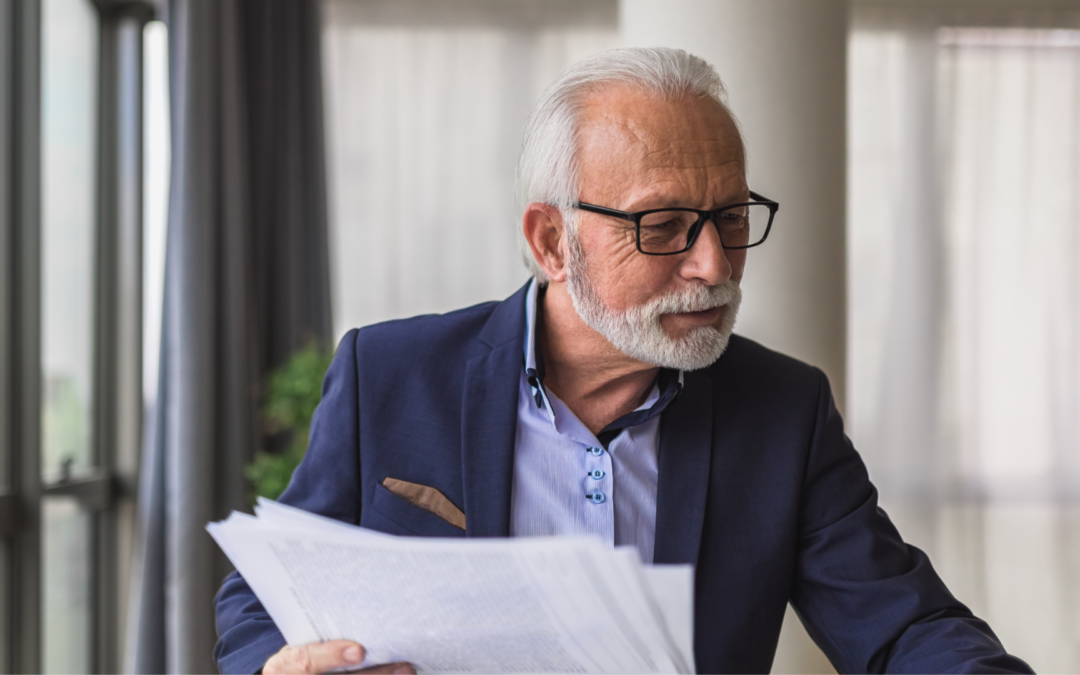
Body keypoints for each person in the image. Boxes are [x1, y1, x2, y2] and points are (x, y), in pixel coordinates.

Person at [215, 47, 1031, 674]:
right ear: (551, 241)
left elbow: (902, 626)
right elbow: (262, 597)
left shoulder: (785, 410)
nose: (714, 264)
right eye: (665, 224)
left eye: (733, 217)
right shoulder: (389, 375)